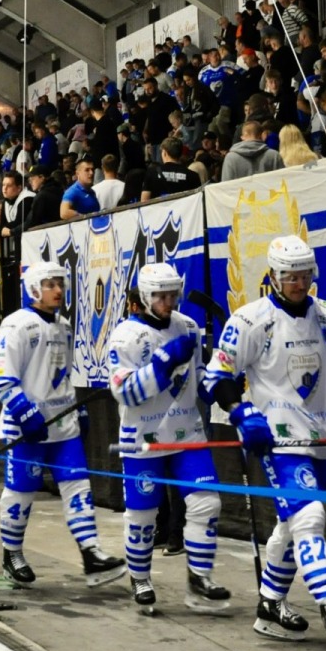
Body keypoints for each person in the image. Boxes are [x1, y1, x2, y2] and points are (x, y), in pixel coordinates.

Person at [201, 236, 326, 651]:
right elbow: (217, 377)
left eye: (305, 276)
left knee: (291, 527)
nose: (298, 284)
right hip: (278, 440)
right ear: (273, 276)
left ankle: (269, 606)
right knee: (310, 516)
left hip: (322, 439)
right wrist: (242, 413)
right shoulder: (251, 320)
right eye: (290, 277)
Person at [0, 261, 125, 588]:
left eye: (60, 284)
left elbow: (62, 377)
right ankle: (12, 554)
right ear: (34, 287)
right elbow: (1, 379)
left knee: (78, 488)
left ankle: (91, 554)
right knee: (21, 493)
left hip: (63, 429)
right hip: (26, 430)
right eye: (50, 284)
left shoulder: (64, 326)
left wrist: (75, 410)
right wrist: (25, 413)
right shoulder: (16, 325)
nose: (58, 290)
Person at [106, 263, 232, 615]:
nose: (168, 301)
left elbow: (200, 375)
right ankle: (140, 576)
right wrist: (161, 364)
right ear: (145, 297)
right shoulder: (124, 336)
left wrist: (219, 389)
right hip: (143, 438)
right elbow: (126, 393)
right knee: (143, 515)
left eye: (173, 293)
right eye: (160, 295)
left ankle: (199, 578)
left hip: (188, 432)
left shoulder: (188, 327)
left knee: (208, 504)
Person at [142, 137, 202, 202]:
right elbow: (197, 202)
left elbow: (144, 202)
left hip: (159, 211)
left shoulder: (152, 173)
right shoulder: (193, 176)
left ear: (164, 152)